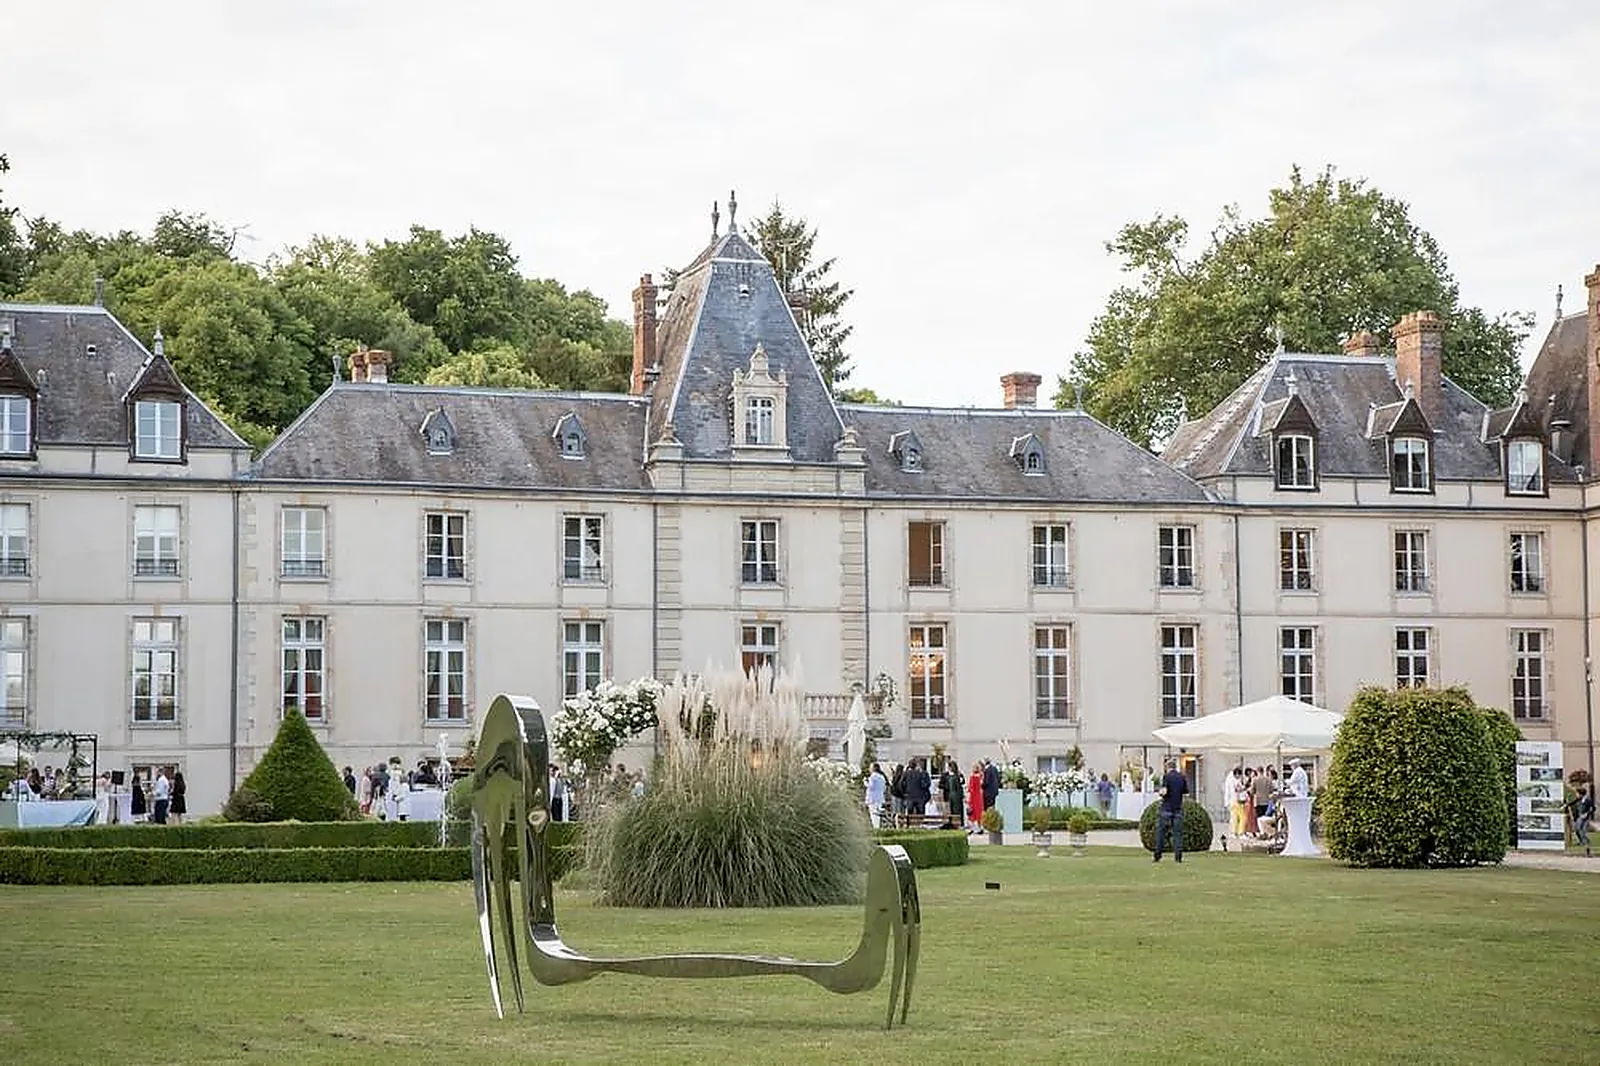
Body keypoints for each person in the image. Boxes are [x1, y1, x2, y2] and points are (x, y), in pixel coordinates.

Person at [1152, 759, 1188, 863]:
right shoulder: (1182, 777)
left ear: (1167, 767)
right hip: (1178, 808)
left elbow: (1164, 792)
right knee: (1178, 834)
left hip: (1166, 808)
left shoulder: (1166, 777)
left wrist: (1160, 792)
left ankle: (1157, 855)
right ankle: (1178, 857)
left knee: (1161, 833)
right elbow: (1185, 791)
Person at [940, 758, 965, 830]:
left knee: (957, 810)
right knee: (949, 810)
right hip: (948, 795)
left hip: (957, 795)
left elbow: (962, 783)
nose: (949, 768)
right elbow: (941, 785)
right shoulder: (945, 775)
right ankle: (949, 824)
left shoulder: (958, 775)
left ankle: (958, 824)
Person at [1568, 785, 1594, 849]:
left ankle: (1585, 841)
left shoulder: (1588, 799)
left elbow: (1592, 808)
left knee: (1580, 829)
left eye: (1577, 793)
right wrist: (1566, 804)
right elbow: (1572, 802)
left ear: (1581, 794)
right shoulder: (1579, 799)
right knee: (1577, 829)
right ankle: (1581, 841)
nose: (1576, 795)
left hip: (1584, 817)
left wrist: (1587, 814)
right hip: (1579, 816)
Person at [864, 762, 887, 828]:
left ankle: (876, 827)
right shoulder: (882, 777)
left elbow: (871, 786)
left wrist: (865, 782)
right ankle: (878, 827)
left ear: (874, 768)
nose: (869, 769)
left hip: (873, 799)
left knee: (874, 815)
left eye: (870, 767)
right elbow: (884, 787)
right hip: (880, 798)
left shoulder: (873, 776)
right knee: (878, 815)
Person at [965, 762, 984, 834]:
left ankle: (972, 828)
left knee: (971, 813)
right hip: (979, 797)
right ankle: (979, 828)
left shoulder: (972, 777)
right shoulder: (980, 777)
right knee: (979, 813)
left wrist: (968, 798)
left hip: (973, 797)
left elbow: (971, 789)